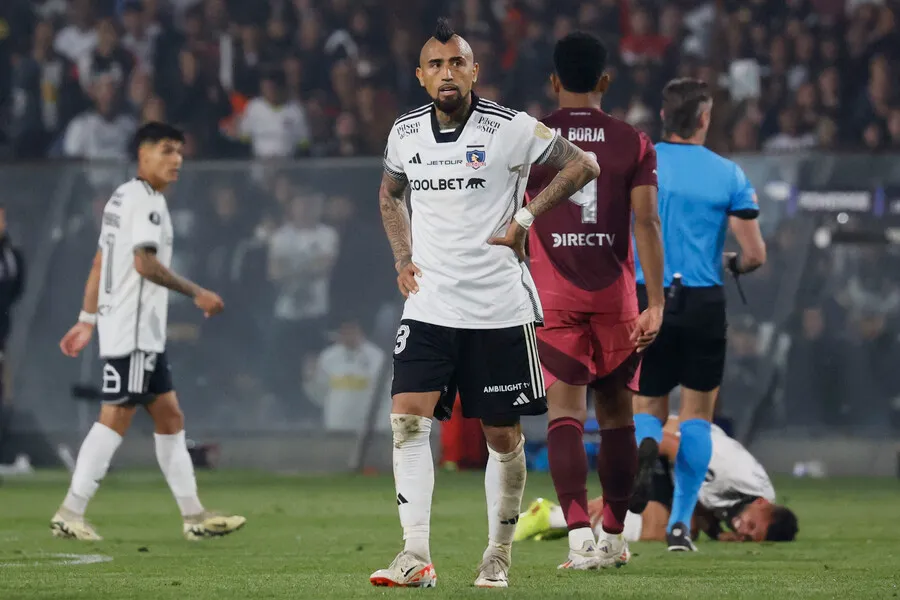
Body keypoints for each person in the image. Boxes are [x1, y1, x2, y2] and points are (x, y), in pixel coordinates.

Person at [370, 18, 600, 589]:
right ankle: (414, 554)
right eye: (436, 65)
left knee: (502, 436)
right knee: (406, 422)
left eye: (457, 63)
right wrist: (403, 259)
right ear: (422, 76)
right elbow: (389, 192)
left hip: (499, 308)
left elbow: (582, 165)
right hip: (429, 304)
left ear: (474, 70)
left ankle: (497, 552)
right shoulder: (404, 133)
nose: (447, 73)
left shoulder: (510, 127)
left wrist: (525, 218)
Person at [52, 122, 246, 541]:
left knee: (170, 417)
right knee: (115, 417)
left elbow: (101, 262)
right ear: (143, 155)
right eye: (166, 150)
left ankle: (194, 518)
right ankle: (71, 510)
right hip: (135, 331)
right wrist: (197, 293)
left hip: (132, 330)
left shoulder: (120, 198)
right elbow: (144, 263)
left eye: (179, 151)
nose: (176, 159)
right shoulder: (148, 203)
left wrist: (87, 321)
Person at [525, 32, 664, 570]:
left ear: (554, 82)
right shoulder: (634, 141)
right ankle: (612, 537)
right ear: (605, 81)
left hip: (554, 292)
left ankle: (578, 534)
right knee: (615, 416)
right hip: (615, 296)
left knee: (563, 413)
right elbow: (647, 222)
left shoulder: (530, 137)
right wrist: (654, 303)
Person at [631, 78, 767, 551]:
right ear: (705, 119)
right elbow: (754, 254)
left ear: (665, 117)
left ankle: (645, 447)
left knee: (648, 405)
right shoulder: (728, 174)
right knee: (696, 417)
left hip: (649, 295)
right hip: (705, 299)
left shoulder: (643, 162)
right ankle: (681, 525)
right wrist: (730, 262)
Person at [516, 416, 798, 544]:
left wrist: (714, 530)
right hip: (656, 442)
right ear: (762, 504)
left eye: (749, 537)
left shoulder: (755, 501)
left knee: (687, 528)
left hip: (676, 458)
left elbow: (705, 494)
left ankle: (563, 524)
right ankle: (547, 516)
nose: (743, 530)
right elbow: (663, 443)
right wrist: (614, 495)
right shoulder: (731, 472)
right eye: (750, 527)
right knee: (658, 528)